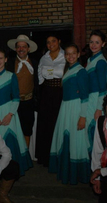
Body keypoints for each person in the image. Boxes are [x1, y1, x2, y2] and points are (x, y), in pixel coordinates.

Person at [0, 48, 32, 176]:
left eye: (1, 58)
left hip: (9, 113)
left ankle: (13, 171)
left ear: (5, 60)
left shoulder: (11, 75)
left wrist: (10, 114)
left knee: (11, 140)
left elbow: (16, 97)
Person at [49, 44, 90, 184]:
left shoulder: (81, 71)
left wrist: (83, 117)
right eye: (67, 53)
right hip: (65, 108)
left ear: (78, 54)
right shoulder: (68, 70)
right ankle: (66, 172)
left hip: (76, 108)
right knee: (65, 138)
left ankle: (77, 174)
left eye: (73, 53)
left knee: (76, 140)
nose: (70, 56)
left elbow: (85, 96)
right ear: (65, 56)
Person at [36, 34, 66, 167]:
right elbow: (39, 74)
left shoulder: (66, 55)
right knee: (46, 125)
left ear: (59, 41)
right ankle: (46, 157)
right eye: (48, 42)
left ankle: (59, 158)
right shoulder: (44, 57)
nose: (51, 44)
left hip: (61, 93)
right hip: (47, 93)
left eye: (53, 41)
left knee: (58, 124)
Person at [6, 35, 39, 147]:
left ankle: (25, 157)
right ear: (15, 49)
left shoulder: (35, 63)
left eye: (24, 46)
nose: (21, 49)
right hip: (13, 103)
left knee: (27, 130)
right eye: (18, 47)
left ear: (28, 49)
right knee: (13, 130)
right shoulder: (9, 63)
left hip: (29, 102)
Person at [85, 30, 107, 151]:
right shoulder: (90, 60)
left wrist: (99, 108)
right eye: (91, 42)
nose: (93, 45)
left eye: (97, 42)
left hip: (96, 100)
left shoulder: (101, 61)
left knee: (94, 131)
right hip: (89, 99)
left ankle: (98, 165)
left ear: (103, 44)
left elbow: (103, 89)